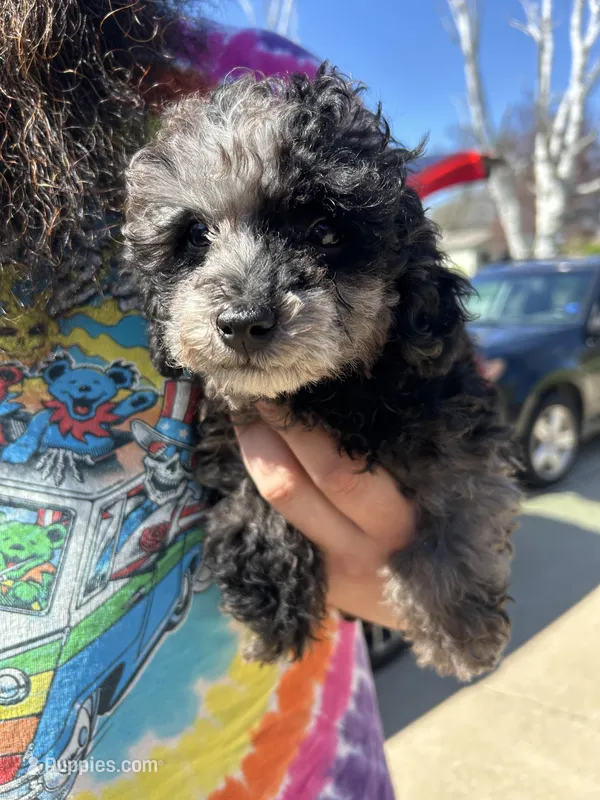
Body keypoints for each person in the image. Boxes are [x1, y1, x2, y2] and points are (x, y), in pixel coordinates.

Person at [0, 3, 414, 798]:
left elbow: (427, 357)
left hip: (293, 766)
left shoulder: (261, 85)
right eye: (193, 242)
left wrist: (418, 545)